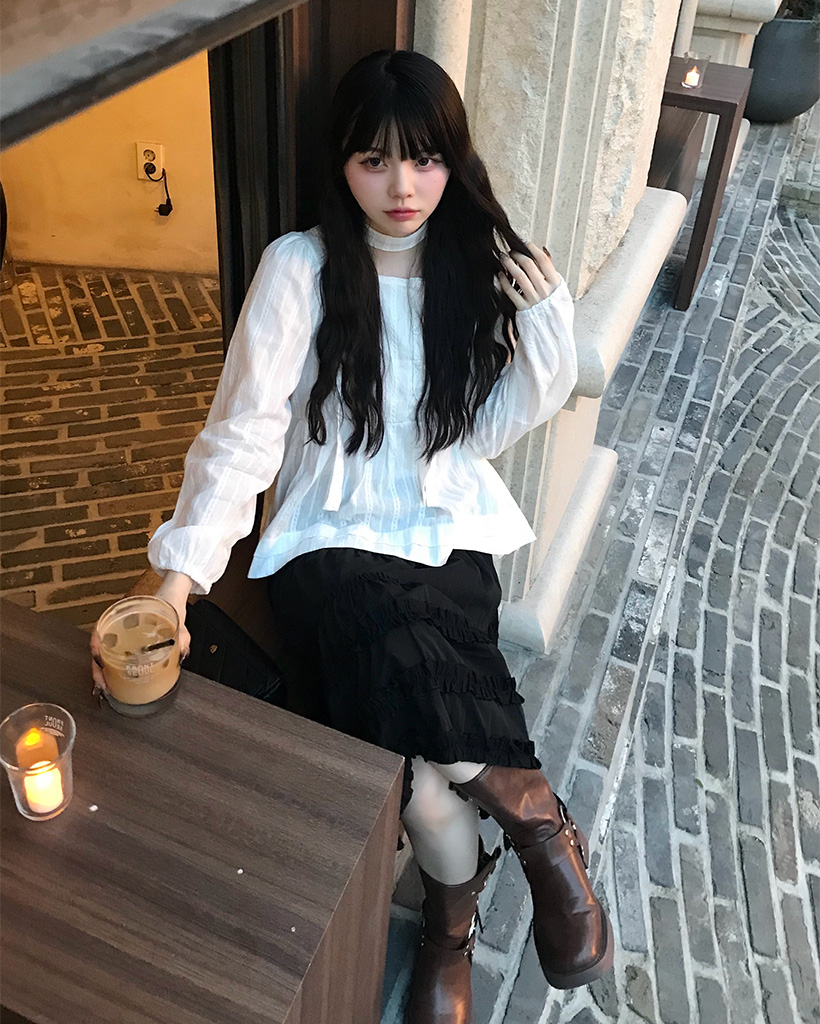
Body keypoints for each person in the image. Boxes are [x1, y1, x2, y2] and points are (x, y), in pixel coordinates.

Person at [92, 48, 612, 1023]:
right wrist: (177, 578)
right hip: (326, 540)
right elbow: (244, 432)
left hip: (441, 534)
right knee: (375, 620)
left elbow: (480, 433)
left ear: (452, 161)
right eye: (375, 160)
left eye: (423, 159)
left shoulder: (468, 268)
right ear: (342, 164)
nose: (402, 185)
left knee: (421, 786)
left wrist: (547, 325)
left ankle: (451, 923)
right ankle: (534, 815)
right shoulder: (300, 268)